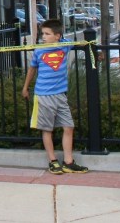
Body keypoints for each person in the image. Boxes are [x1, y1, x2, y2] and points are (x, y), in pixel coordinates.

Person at [22, 18, 89, 174]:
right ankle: (53, 161)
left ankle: (68, 161)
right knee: (47, 129)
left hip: (60, 95)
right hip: (43, 95)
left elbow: (79, 44)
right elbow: (32, 69)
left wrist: (88, 44)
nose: (43, 37)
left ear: (57, 36)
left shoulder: (64, 45)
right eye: (42, 34)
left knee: (68, 126)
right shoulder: (39, 50)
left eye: (47, 34)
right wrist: (25, 87)